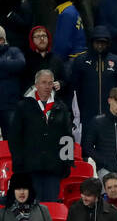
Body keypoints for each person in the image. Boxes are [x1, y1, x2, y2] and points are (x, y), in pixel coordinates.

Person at [7, 69, 75, 204]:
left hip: (54, 167)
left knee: (51, 206)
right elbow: (15, 137)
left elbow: (67, 137)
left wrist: (67, 162)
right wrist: (18, 162)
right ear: (36, 85)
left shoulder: (61, 107)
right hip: (30, 167)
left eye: (50, 83)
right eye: (43, 83)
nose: (47, 86)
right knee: (33, 206)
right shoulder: (23, 106)